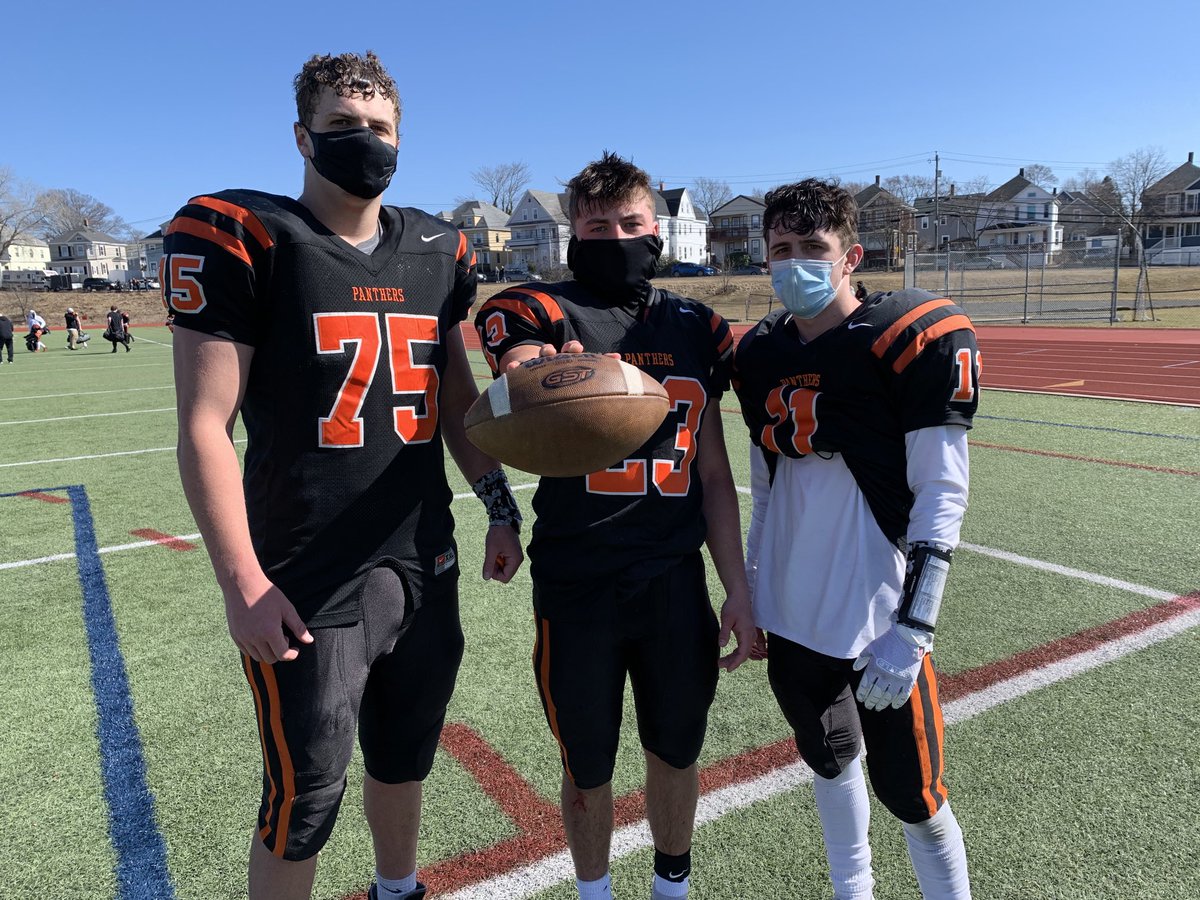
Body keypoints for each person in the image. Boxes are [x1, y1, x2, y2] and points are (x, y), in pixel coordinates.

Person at [165, 50, 522, 900]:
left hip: (420, 550)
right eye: (339, 127)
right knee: (306, 795)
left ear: (403, 137)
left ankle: (396, 891)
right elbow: (203, 423)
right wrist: (241, 582)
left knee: (404, 756)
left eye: (379, 128)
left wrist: (499, 505)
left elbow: (454, 393)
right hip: (306, 564)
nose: (363, 141)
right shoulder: (252, 235)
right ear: (301, 135)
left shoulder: (438, 246)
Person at [474, 151, 754, 900]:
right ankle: (593, 892)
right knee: (585, 768)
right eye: (597, 226)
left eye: (631, 223)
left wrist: (741, 589)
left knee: (675, 750)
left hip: (671, 579)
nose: (616, 237)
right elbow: (517, 350)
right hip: (577, 586)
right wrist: (539, 372)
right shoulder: (543, 307)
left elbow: (717, 475)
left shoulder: (697, 325)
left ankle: (672, 887)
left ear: (656, 228)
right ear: (573, 233)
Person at [732, 178, 978, 900]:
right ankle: (853, 891)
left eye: (814, 248)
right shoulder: (760, 354)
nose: (796, 262)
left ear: (850, 257)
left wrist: (917, 626)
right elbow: (766, 486)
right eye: (781, 249)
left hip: (880, 616)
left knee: (914, 797)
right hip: (792, 607)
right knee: (831, 760)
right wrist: (749, 591)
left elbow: (943, 490)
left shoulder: (903, 337)